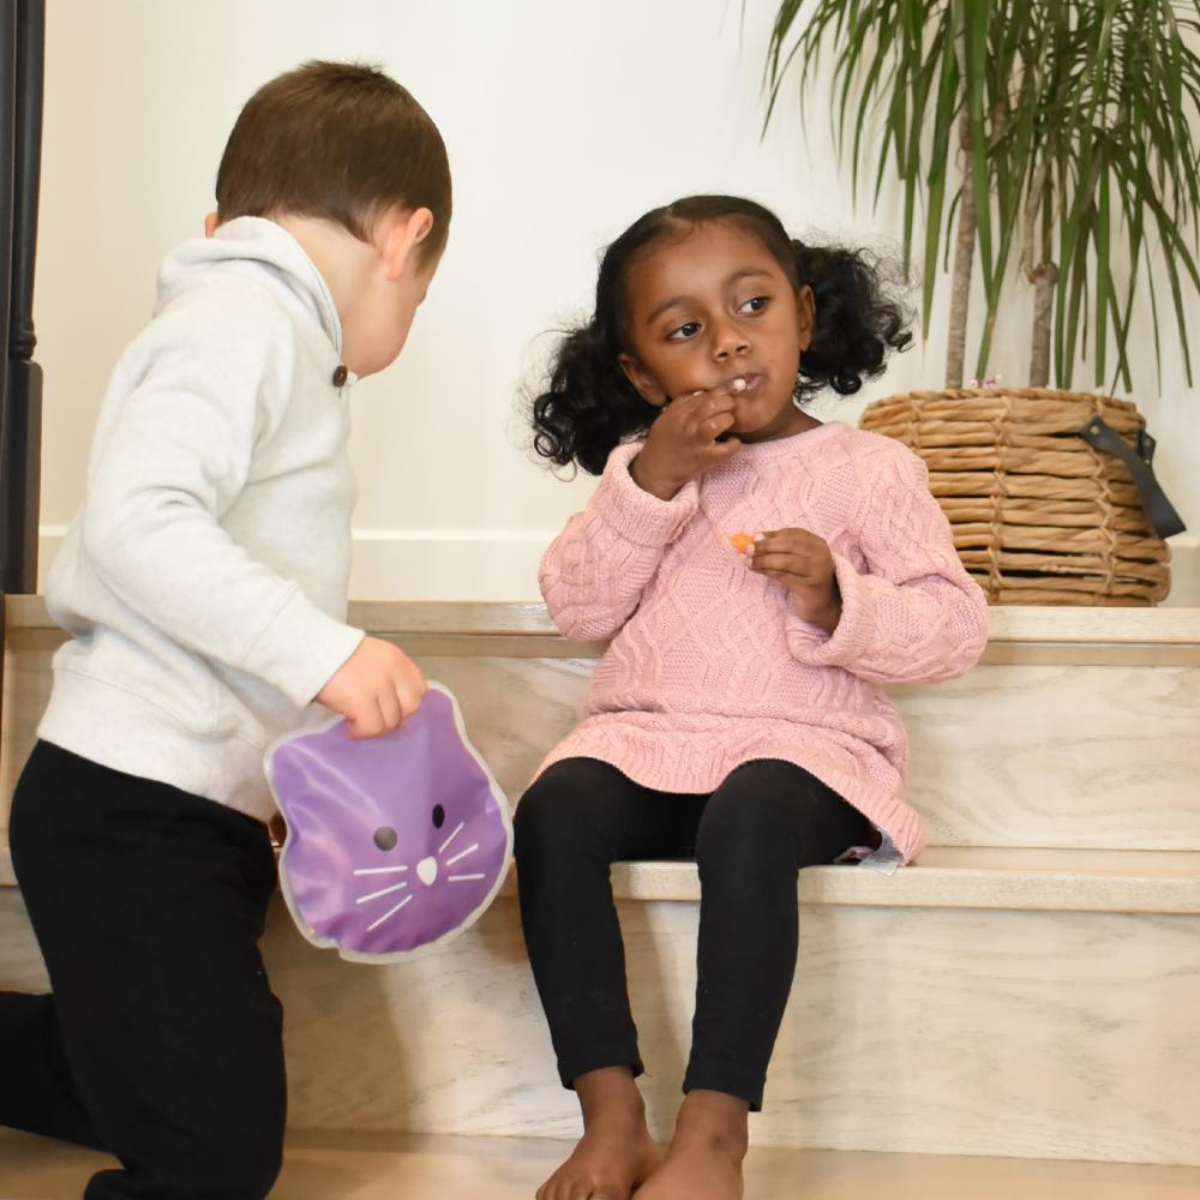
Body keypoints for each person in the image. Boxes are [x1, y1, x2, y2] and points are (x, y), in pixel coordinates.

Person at [0, 61, 449, 1200]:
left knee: (143, 1071)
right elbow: (135, 525)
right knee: (213, 1152)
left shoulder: (254, 322)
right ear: (403, 239)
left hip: (180, 809)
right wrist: (328, 654)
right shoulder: (246, 316)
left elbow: (223, 577)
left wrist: (291, 760)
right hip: (134, 805)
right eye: (419, 289)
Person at [516, 195, 989, 1200]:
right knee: (554, 809)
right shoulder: (643, 473)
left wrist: (836, 595)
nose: (729, 343)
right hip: (654, 741)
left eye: (753, 306)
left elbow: (954, 630)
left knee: (756, 810)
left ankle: (713, 1132)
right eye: (686, 331)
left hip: (808, 753)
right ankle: (608, 1114)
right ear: (644, 375)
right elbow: (576, 605)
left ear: (806, 319)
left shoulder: (870, 471)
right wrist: (654, 478)